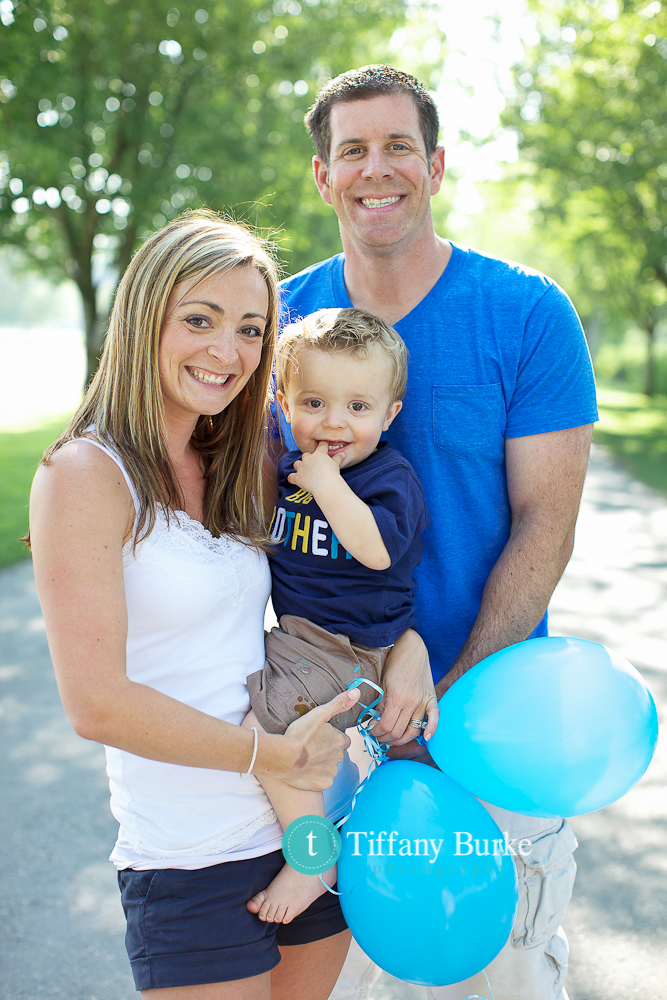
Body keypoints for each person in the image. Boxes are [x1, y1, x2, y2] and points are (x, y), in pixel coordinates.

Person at [279, 66, 598, 1000]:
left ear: (436, 165)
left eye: (398, 147)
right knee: (336, 978)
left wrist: (449, 702)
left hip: (489, 724)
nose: (375, 169)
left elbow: (546, 524)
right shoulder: (282, 321)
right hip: (326, 720)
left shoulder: (526, 313)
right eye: (352, 151)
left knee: (502, 973)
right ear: (322, 176)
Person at [28, 211, 369, 1000]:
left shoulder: (238, 462)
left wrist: (405, 648)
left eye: (250, 330)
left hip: (302, 830)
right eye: (199, 320)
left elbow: (344, 585)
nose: (226, 352)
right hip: (189, 856)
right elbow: (96, 705)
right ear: (145, 317)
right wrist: (269, 757)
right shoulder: (84, 474)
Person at [242, 307, 432, 925]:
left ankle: (312, 857)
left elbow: (376, 550)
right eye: (314, 402)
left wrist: (326, 484)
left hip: (348, 648)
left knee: (265, 727)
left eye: (357, 406)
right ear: (283, 403)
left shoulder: (388, 477)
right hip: (304, 641)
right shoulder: (288, 467)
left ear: (389, 414)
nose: (333, 422)